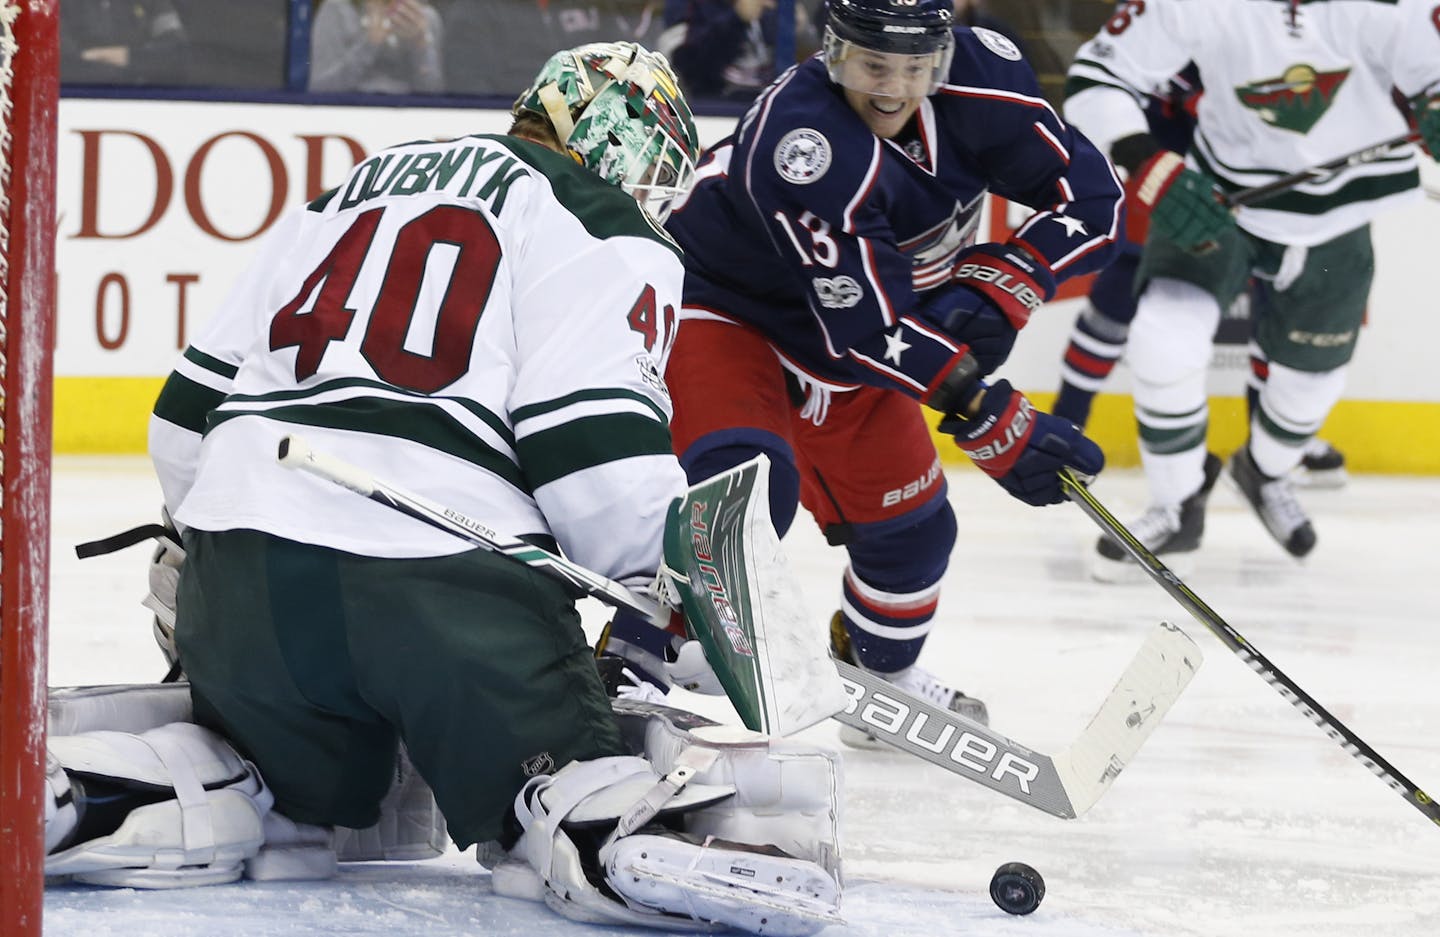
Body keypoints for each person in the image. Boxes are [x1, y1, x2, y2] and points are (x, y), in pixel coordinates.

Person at [42, 41, 844, 934]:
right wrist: (671, 589)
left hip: (247, 570)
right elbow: (594, 456)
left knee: (265, 788)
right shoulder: (603, 221)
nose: (652, 194)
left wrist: (208, 549)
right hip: (444, 583)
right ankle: (617, 836)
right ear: (619, 140)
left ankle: (85, 791)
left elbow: (183, 418)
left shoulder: (351, 185)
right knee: (550, 777)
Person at [599, 0, 1120, 736]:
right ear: (835, 51)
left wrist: (1010, 283)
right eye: (874, 65)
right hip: (728, 308)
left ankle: (881, 672)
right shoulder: (801, 139)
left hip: (858, 330)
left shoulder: (986, 80)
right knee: (742, 494)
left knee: (913, 533)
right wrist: (981, 408)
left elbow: (1094, 198)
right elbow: (863, 329)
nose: (894, 89)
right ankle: (639, 659)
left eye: (915, 67)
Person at [1063, 0, 1440, 574]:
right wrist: (1149, 162)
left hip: (1339, 217)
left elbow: (1429, 64)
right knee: (1163, 336)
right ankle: (1176, 504)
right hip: (1218, 202)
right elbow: (1098, 76)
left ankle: (1263, 471)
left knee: (1309, 387)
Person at [1052, 64, 1349, 496]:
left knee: (1274, 313)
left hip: (1242, 196)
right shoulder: (1172, 24)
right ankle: (1066, 427)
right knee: (1112, 310)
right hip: (1166, 187)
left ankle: (1268, 451)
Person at [308, 0, 444, 93]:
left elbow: (434, 91)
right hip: (350, 114)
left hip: (412, 118)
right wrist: (370, 44)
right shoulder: (337, 10)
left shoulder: (424, 17)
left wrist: (420, 44)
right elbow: (321, 87)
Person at [59, 0, 191, 85]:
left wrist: (125, 56)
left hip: (143, 100)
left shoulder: (152, 3)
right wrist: (141, 65)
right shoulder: (58, 4)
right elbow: (65, 63)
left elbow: (178, 55)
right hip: (78, 100)